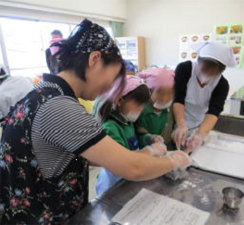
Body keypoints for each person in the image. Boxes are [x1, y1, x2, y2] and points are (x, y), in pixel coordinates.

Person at [0, 19, 191, 224]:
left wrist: (144, 153)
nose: (111, 87)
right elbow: (133, 169)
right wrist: (173, 161)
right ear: (94, 59)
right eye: (112, 77)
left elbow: (73, 154)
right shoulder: (59, 107)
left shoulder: (44, 93)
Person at [95, 75, 168, 197]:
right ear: (119, 101)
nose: (140, 109)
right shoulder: (110, 128)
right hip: (114, 183)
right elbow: (122, 162)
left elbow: (135, 141)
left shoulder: (127, 121)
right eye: (137, 104)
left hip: (127, 179)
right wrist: (150, 151)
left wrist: (150, 138)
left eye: (143, 105)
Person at [172, 41, 237, 153]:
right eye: (205, 67)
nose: (208, 72)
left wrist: (199, 135)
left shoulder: (222, 84)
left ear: (220, 71)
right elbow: (178, 99)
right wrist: (181, 125)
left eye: (213, 71)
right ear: (199, 60)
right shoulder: (185, 69)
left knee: (194, 150)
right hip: (177, 118)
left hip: (200, 123)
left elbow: (213, 112)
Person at [136, 68, 175, 148]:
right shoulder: (141, 111)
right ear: (149, 91)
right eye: (160, 92)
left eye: (170, 93)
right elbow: (139, 136)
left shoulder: (171, 108)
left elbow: (175, 125)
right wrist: (151, 138)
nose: (165, 98)